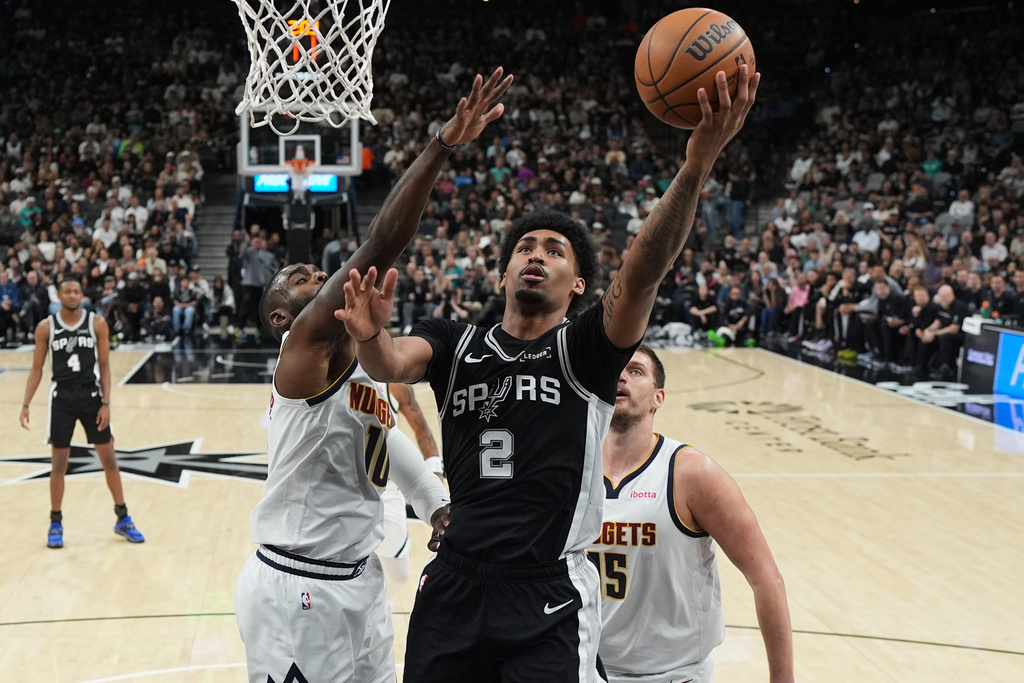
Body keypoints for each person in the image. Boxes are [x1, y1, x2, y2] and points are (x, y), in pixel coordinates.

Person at [337, 65, 759, 683]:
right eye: (525, 247)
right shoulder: (457, 342)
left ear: (581, 284)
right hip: (454, 580)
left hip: (548, 592)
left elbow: (642, 269)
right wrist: (370, 332)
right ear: (503, 274)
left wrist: (694, 168)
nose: (537, 253)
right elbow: (388, 364)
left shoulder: (587, 350)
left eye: (555, 250)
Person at [234, 68, 512, 683]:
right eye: (303, 277)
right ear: (283, 315)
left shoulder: (356, 360)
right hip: (297, 590)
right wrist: (441, 145)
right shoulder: (302, 352)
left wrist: (436, 504)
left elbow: (384, 440)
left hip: (358, 582)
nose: (319, 274)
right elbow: (385, 241)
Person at [592, 346, 793, 683]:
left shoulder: (693, 473)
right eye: (614, 369)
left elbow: (765, 577)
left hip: (673, 674)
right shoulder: (575, 467)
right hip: (586, 668)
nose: (621, 376)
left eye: (636, 371)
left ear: (659, 397)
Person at [18, 275, 144, 548]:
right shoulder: (45, 327)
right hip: (61, 397)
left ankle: (122, 518)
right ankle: (55, 522)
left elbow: (106, 367)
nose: (73, 295)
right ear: (60, 295)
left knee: (109, 459)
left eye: (77, 291)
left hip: (92, 398)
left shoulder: (96, 323)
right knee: (59, 465)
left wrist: (107, 403)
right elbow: (37, 369)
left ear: (82, 295)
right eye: (68, 291)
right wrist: (26, 404)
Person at [378, 383, 445, 593]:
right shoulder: (334, 373)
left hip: (388, 488)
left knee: (400, 575)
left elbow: (421, 428)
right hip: (349, 489)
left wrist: (435, 470)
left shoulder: (394, 383)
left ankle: (382, 607)